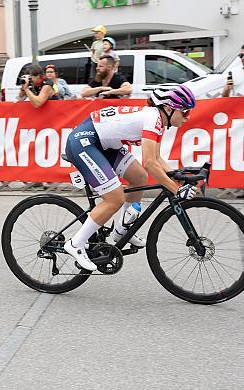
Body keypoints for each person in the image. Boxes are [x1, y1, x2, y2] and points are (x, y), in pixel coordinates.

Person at [62, 85, 198, 271]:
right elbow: (150, 163)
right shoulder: (153, 119)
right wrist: (177, 189)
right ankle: (76, 244)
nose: (187, 117)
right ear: (168, 108)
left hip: (104, 144)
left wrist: (179, 178)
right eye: (185, 112)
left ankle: (121, 230)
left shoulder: (157, 118)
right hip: (85, 142)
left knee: (139, 177)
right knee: (115, 199)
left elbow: (157, 159)